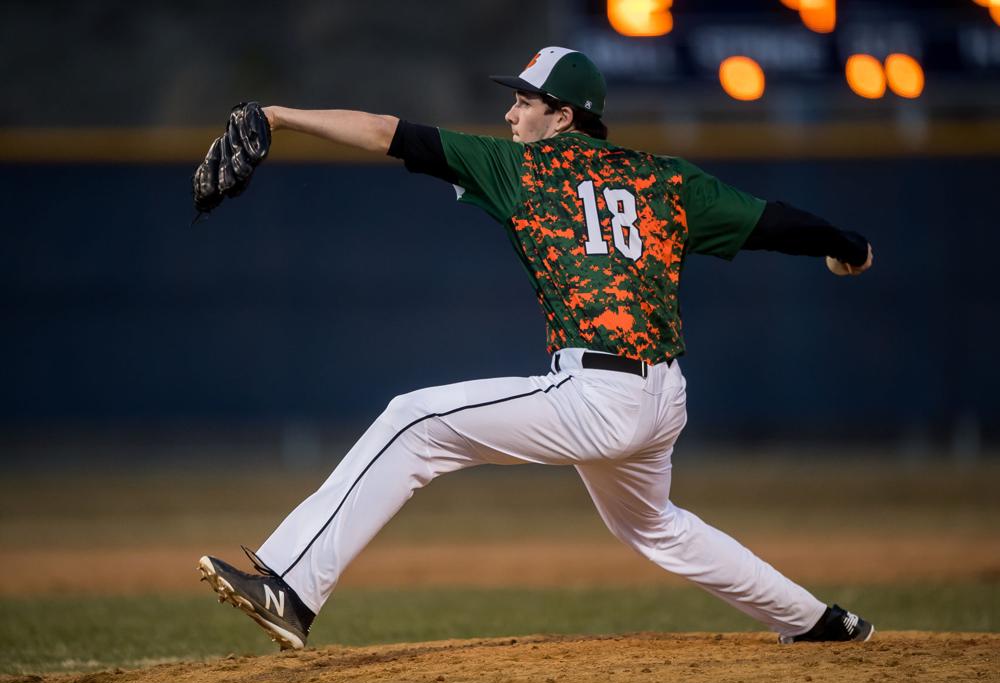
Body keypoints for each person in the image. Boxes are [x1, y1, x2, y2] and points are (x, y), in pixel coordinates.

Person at [197, 46, 875, 651]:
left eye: (525, 101)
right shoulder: (662, 179)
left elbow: (384, 133)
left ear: (563, 117)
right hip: (662, 395)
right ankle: (816, 621)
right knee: (654, 527)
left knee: (414, 420)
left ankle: (289, 586)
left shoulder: (519, 169)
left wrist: (280, 115)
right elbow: (773, 221)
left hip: (601, 394)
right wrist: (848, 246)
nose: (512, 113)